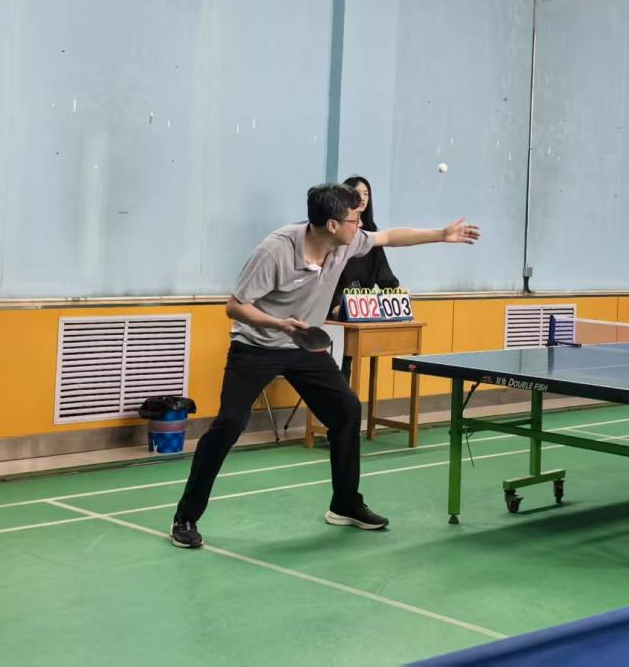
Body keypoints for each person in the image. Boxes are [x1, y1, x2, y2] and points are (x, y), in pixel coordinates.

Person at [171, 183, 479, 549]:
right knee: (229, 425)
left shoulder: (346, 242)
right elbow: (235, 307)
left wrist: (441, 234)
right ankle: (185, 517)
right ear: (332, 225)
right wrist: (280, 325)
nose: (360, 225)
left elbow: (389, 237)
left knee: (347, 410)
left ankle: (344, 504)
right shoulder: (275, 251)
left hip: (303, 345)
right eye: (354, 219)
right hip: (257, 345)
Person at [330, 175, 399, 324]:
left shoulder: (371, 234)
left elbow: (383, 272)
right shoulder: (335, 233)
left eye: (366, 194)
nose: (362, 198)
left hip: (363, 309)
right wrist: (336, 305)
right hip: (334, 309)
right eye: (357, 193)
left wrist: (396, 292)